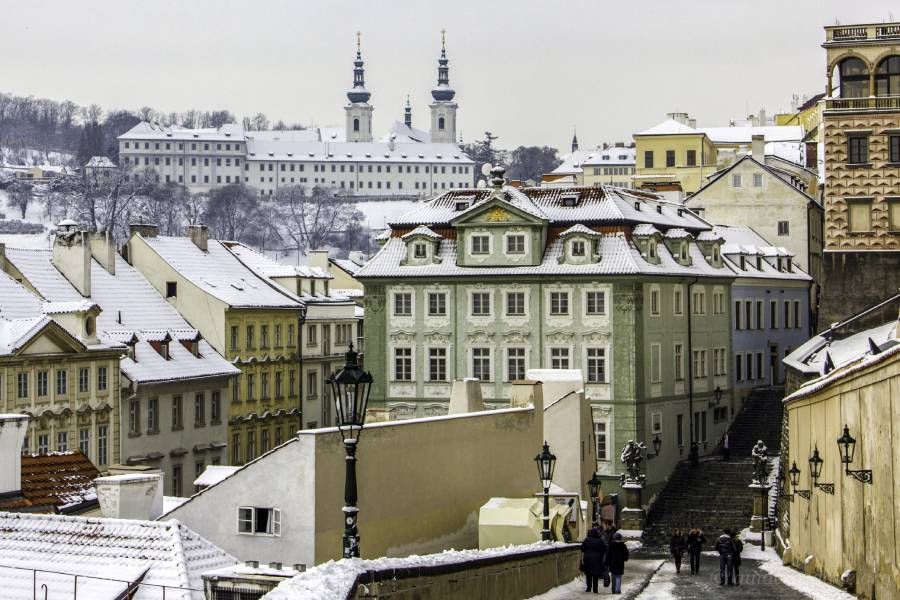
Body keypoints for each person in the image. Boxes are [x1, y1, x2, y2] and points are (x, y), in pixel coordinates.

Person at [580, 527, 607, 594]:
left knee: (588, 574)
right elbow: (604, 549)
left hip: (588, 559)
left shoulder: (587, 540)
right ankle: (595, 589)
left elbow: (582, 548)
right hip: (597, 560)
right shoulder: (600, 540)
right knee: (595, 575)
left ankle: (589, 588)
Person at [597, 520, 616, 587]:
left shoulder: (613, 532)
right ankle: (605, 578)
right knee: (603, 565)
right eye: (603, 525)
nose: (603, 526)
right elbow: (598, 537)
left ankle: (606, 579)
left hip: (608, 551)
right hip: (602, 550)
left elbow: (613, 543)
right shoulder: (602, 531)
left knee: (606, 565)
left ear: (608, 525)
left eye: (605, 525)